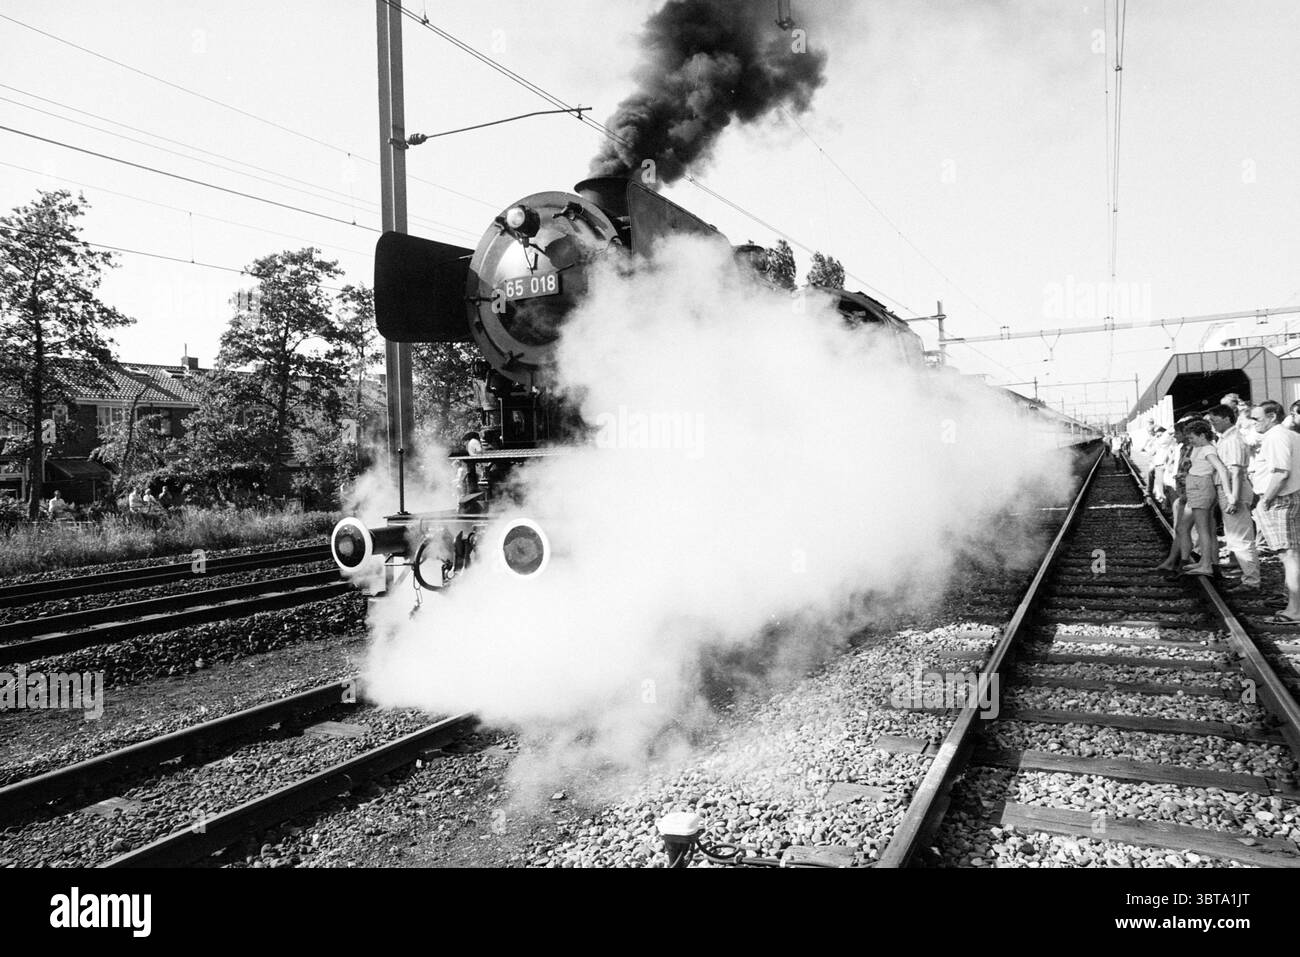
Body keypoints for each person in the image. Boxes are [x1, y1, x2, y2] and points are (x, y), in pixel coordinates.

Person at [1247, 400, 1300, 622]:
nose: (1253, 423)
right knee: (1292, 554)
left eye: (1257, 419)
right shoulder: (1291, 435)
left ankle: (1295, 610)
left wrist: (1264, 501)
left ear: (1272, 417)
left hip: (1279, 499)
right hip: (1290, 496)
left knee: (1288, 555)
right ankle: (1293, 601)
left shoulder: (1276, 437)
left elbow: (1280, 473)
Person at [1205, 403, 1261, 591]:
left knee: (1241, 537)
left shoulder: (1233, 440)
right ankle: (1245, 573)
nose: (1212, 424)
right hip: (1229, 489)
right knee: (1236, 534)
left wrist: (1233, 498)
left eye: (1215, 420)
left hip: (1233, 490)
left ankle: (1251, 581)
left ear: (1227, 418)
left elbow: (1235, 472)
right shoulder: (1226, 438)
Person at [1180, 419, 1233, 576]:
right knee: (1206, 528)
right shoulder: (1202, 447)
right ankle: (1205, 562)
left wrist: (1228, 493)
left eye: (1192, 438)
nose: (1190, 441)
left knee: (1203, 529)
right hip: (1199, 487)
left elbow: (1221, 469)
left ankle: (1206, 565)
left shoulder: (1208, 449)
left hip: (1201, 488)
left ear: (1202, 435)